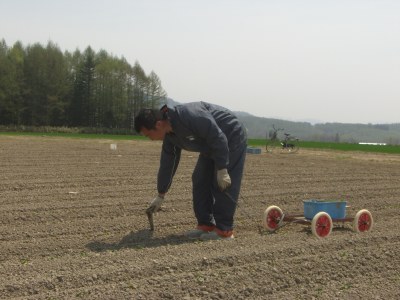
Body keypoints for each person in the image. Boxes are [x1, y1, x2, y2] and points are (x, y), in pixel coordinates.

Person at [134, 101, 247, 240]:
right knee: (199, 178)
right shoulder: (170, 136)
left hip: (230, 135)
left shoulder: (190, 116)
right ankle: (206, 225)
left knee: (221, 182)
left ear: (158, 125)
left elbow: (218, 137)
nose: (150, 139)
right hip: (210, 144)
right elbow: (167, 164)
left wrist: (222, 168)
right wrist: (161, 194)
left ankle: (224, 230)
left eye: (148, 135)